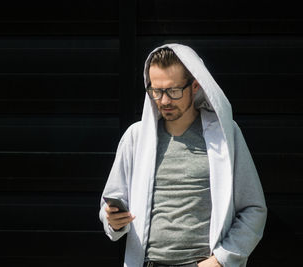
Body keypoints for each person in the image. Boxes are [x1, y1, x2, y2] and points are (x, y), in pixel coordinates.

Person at [99, 44, 267, 267]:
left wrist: (221, 260)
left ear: (195, 86)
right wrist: (112, 219)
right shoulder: (136, 137)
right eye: (156, 91)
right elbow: (109, 203)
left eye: (173, 91)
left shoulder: (224, 135)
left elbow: (254, 209)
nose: (164, 100)